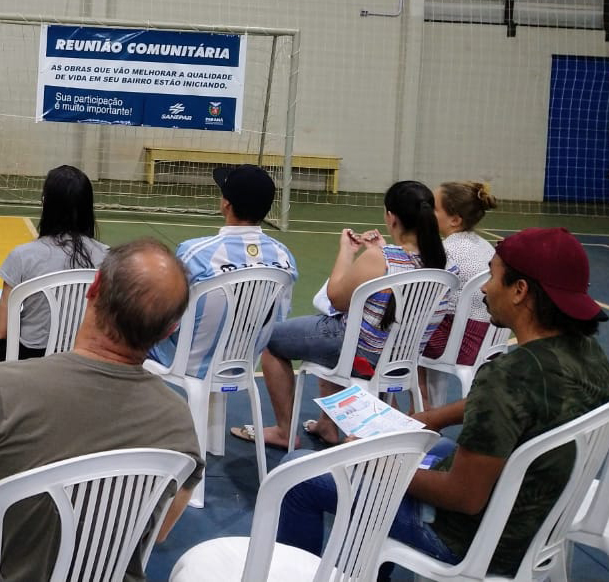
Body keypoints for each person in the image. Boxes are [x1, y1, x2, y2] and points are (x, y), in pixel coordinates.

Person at [276, 227, 609, 578]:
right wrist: (432, 417)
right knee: (432, 448)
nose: (483, 287)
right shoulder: (587, 355)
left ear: (519, 291)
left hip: (469, 542)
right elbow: (520, 406)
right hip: (536, 522)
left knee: (299, 475)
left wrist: (377, 464)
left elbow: (464, 496)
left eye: (493, 276)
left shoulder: (508, 376)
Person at [0, 238, 203, 582]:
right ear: (170, 329)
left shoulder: (3, 388)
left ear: (94, 288)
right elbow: (156, 531)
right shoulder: (179, 424)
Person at [255, 180, 450, 449]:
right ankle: (327, 424)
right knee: (321, 331)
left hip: (362, 351)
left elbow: (337, 297)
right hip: (403, 355)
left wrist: (347, 252)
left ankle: (283, 430)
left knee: (272, 339)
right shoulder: (444, 263)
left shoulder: (379, 259)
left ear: (391, 217)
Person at [148, 165, 297, 387]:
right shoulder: (284, 257)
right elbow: (278, 319)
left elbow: (164, 312)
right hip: (243, 363)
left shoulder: (195, 253)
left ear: (226, 204)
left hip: (186, 362)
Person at [0, 165, 108, 365]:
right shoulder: (109, 258)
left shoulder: (22, 256)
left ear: (46, 205)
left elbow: (1, 331)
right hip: (86, 354)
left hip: (34, 357)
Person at [422, 180, 498, 364]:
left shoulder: (445, 251)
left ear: (455, 220)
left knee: (402, 334)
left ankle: (420, 392)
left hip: (462, 343)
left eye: (433, 207)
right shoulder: (485, 246)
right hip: (490, 339)